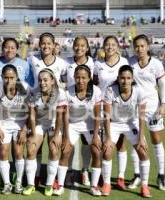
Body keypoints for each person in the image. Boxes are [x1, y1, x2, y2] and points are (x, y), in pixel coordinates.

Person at [0, 37, 33, 185]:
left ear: (16, 49)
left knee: (18, 148)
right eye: (6, 47)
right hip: (1, 108)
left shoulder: (24, 64)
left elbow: (29, 84)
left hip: (19, 111)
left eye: (12, 47)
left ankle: (17, 176)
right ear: (2, 49)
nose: (9, 50)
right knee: (1, 145)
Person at [101, 65, 151, 198]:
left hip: (131, 123)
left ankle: (144, 186)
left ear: (133, 79)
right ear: (118, 78)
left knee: (143, 151)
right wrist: (108, 138)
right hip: (115, 123)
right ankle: (107, 184)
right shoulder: (111, 90)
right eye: (122, 78)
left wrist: (141, 138)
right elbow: (106, 116)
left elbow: (141, 117)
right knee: (107, 151)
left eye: (128, 78)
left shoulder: (139, 91)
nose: (125, 81)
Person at [54, 65, 102, 196]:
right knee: (66, 151)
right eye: (77, 77)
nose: (80, 80)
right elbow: (66, 115)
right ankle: (61, 185)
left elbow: (98, 116)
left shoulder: (96, 91)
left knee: (97, 152)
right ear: (74, 78)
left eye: (83, 77)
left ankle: (94, 186)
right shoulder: (67, 92)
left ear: (89, 78)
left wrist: (96, 136)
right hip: (73, 124)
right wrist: (66, 136)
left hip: (90, 125)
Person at [128, 34, 165, 191]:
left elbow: (163, 85)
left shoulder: (157, 64)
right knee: (136, 143)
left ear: (148, 47)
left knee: (156, 141)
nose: (139, 49)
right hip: (134, 108)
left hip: (153, 108)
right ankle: (137, 175)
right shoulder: (130, 62)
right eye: (137, 46)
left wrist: (163, 104)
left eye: (142, 46)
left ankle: (161, 176)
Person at [27, 32, 68, 186]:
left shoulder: (62, 63)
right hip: (37, 108)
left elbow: (65, 81)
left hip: (55, 113)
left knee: (54, 148)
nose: (45, 46)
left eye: (48, 43)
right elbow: (24, 74)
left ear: (53, 45)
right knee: (34, 147)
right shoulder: (32, 59)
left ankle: (52, 181)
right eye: (42, 43)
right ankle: (35, 177)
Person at [22, 68, 67, 196]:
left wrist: (57, 135)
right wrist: (33, 134)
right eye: (40, 80)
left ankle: (49, 184)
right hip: (39, 122)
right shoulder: (34, 93)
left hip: (54, 123)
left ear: (52, 81)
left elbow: (59, 117)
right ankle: (30, 184)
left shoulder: (61, 93)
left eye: (46, 80)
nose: (42, 83)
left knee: (54, 149)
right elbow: (31, 116)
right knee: (31, 148)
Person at [93, 35, 129, 190]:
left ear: (118, 46)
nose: (110, 47)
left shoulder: (124, 62)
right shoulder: (98, 63)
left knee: (121, 142)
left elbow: (128, 82)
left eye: (113, 44)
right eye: (107, 44)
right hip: (101, 106)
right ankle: (101, 175)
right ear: (103, 47)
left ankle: (120, 176)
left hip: (118, 106)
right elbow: (94, 82)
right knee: (102, 142)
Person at [0, 65, 30, 195]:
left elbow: (30, 111)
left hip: (20, 123)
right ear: (2, 77)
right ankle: (7, 183)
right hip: (3, 123)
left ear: (17, 77)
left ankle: (18, 182)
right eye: (6, 78)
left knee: (19, 151)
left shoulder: (25, 88)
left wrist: (24, 129)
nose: (9, 80)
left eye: (12, 77)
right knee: (3, 152)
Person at [64, 36, 95, 187]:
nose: (79, 48)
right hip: (71, 107)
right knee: (68, 143)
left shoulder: (94, 63)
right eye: (76, 45)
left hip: (88, 108)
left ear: (87, 47)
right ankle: (69, 172)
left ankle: (84, 170)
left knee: (87, 143)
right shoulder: (67, 62)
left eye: (83, 45)